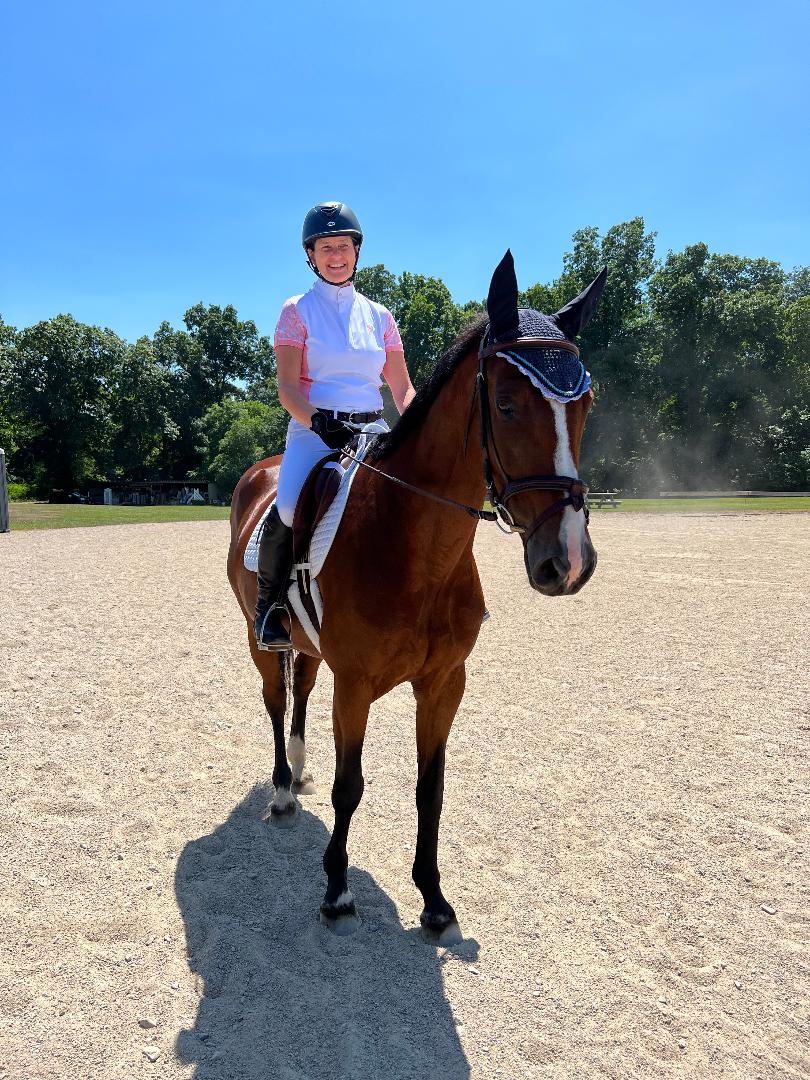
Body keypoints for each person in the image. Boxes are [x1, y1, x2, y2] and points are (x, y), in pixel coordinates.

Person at [254, 201, 416, 650]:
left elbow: (401, 389)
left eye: (343, 245)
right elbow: (287, 389)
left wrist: (417, 421)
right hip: (315, 430)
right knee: (288, 506)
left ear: (357, 250)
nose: (336, 255)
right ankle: (269, 606)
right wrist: (320, 424)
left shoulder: (380, 316)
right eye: (326, 247)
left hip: (373, 429)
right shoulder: (296, 310)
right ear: (311, 254)